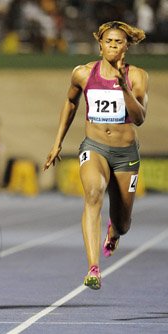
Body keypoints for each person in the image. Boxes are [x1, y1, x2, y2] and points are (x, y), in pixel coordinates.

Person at [44, 21, 148, 290]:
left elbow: (139, 118)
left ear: (127, 46)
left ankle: (114, 231)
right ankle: (93, 267)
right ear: (100, 44)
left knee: (124, 223)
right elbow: (70, 103)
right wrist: (57, 144)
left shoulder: (137, 76)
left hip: (126, 154)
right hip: (94, 147)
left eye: (118, 42)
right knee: (93, 193)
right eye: (108, 41)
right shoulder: (83, 73)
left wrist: (124, 89)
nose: (113, 45)